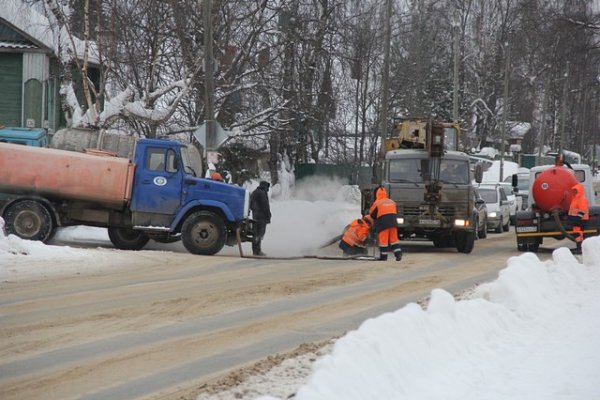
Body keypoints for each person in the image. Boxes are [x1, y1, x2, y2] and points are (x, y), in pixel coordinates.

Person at [369, 186, 402, 261]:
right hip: (393, 222)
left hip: (383, 223)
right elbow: (396, 211)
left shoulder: (377, 203)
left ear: (377, 194)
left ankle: (383, 257)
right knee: (394, 239)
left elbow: (372, 214)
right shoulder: (392, 201)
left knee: (383, 240)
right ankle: (398, 254)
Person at [250, 181, 271, 256]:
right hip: (262, 217)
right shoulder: (262, 193)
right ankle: (257, 251)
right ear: (265, 186)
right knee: (260, 234)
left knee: (255, 233)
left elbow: (251, 204)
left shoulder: (254, 192)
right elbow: (265, 205)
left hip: (255, 216)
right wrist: (268, 215)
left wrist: (255, 211)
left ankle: (255, 251)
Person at [568, 182, 589, 254]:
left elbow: (583, 209)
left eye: (576, 190)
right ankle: (579, 248)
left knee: (578, 233)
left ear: (579, 190)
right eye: (574, 190)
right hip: (576, 219)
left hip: (580, 219)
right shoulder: (575, 199)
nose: (574, 191)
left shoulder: (581, 199)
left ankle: (580, 248)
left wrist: (577, 218)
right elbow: (573, 210)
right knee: (576, 234)